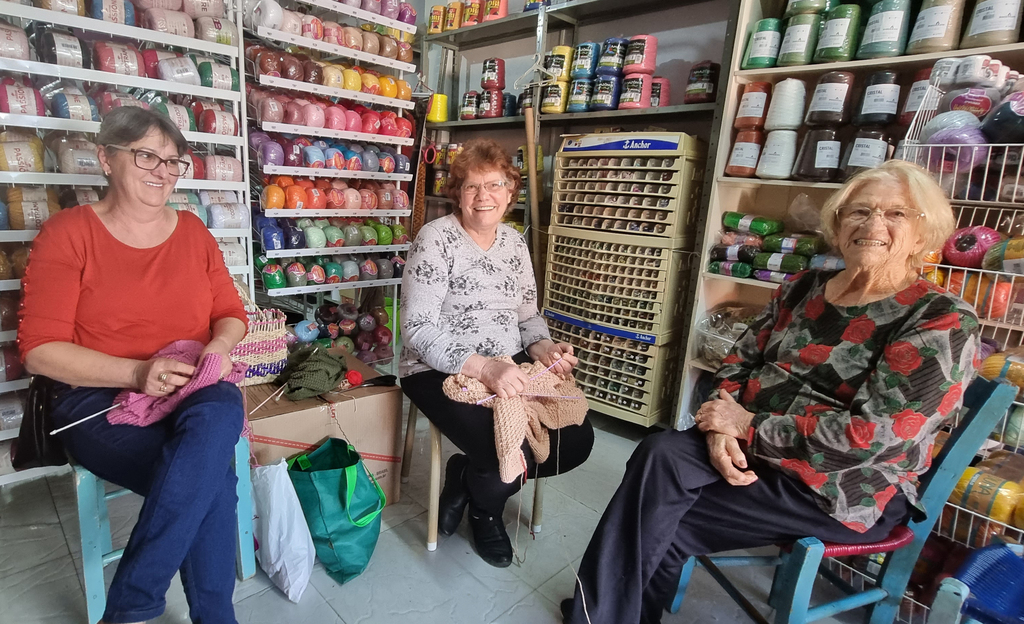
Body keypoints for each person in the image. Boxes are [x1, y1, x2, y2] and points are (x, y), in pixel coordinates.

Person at [561, 160, 978, 624]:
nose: (874, 224)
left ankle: (596, 615)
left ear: (925, 233)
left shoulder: (940, 319)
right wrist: (721, 429)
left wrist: (746, 426)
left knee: (665, 510)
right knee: (659, 455)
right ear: (838, 225)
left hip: (841, 487)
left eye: (897, 214)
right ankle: (605, 614)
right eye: (859, 211)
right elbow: (740, 360)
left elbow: (877, 436)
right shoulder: (802, 287)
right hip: (749, 449)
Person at [19, 107, 248, 624]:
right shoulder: (68, 234)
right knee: (209, 479)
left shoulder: (192, 232)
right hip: (95, 402)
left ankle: (130, 605)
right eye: (146, 155)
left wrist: (219, 348)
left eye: (173, 162)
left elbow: (230, 314)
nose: (161, 171)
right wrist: (136, 373)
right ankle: (213, 617)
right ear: (105, 157)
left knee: (220, 407)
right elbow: (39, 349)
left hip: (190, 387)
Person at [400, 138, 595, 568]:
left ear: (511, 192)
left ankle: (465, 479)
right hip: (437, 369)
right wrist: (485, 369)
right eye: (471, 186)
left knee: (576, 439)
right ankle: (486, 512)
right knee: (505, 446)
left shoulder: (514, 243)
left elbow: (528, 317)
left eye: (495, 185)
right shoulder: (435, 240)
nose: (483, 196)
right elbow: (415, 329)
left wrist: (545, 349)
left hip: (508, 365)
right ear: (457, 193)